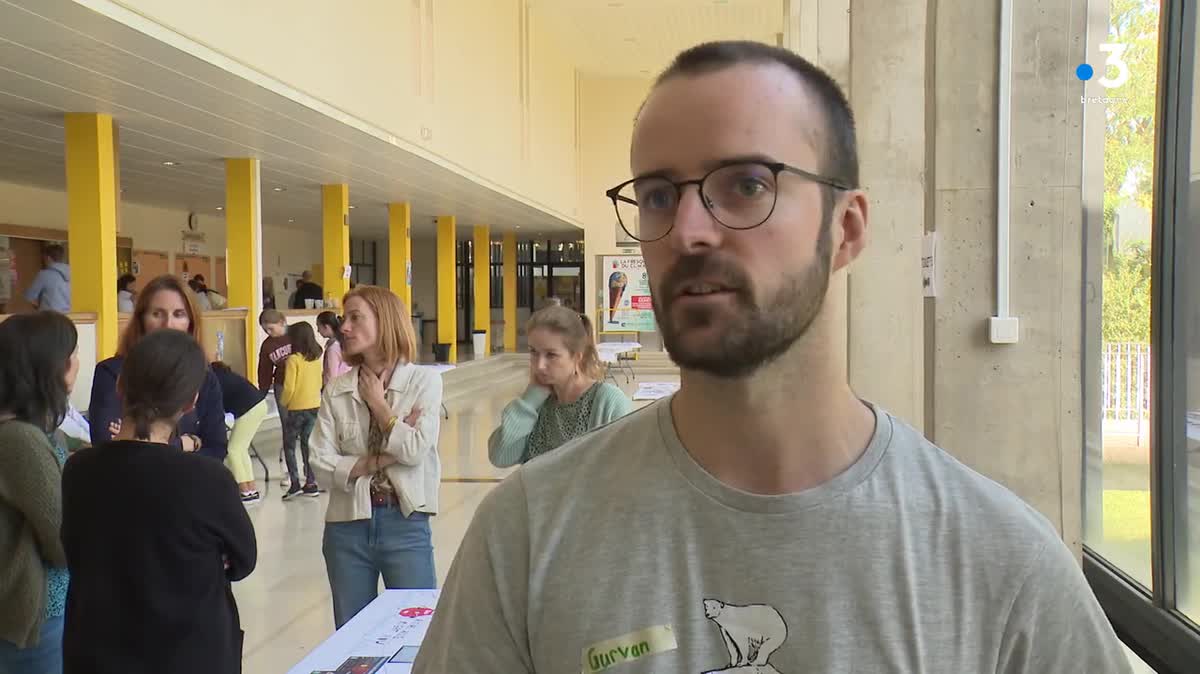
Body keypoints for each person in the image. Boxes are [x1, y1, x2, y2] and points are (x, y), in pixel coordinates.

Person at [413, 41, 1131, 673]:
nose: (689, 229)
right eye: (660, 195)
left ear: (845, 229)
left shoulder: (999, 564)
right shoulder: (528, 537)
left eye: (747, 184)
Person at [62, 329, 256, 674]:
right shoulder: (206, 479)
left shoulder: (78, 471)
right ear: (190, 402)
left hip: (97, 652)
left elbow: (74, 549)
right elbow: (242, 560)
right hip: (190, 654)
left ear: (120, 385)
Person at [309, 285, 443, 629]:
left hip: (405, 522)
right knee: (352, 638)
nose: (345, 328)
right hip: (346, 526)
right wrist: (376, 461)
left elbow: (414, 452)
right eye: (344, 318)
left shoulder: (423, 382)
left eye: (356, 318)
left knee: (415, 633)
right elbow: (319, 463)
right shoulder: (337, 390)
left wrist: (381, 408)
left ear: (385, 322)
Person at [0, 312, 78, 673]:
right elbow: (63, 542)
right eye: (72, 354)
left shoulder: (33, 428)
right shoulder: (21, 440)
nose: (77, 363)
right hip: (35, 621)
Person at [88, 274, 228, 460]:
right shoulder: (111, 372)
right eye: (157, 314)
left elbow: (216, 449)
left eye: (178, 314)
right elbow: (106, 443)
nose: (168, 324)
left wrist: (141, 441)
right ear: (141, 320)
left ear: (191, 322)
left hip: (187, 483)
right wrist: (188, 443)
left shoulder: (205, 377)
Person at [488, 307, 631, 467]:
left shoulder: (607, 401)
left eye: (551, 355)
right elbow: (500, 458)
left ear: (577, 356)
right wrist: (529, 401)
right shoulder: (536, 403)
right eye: (534, 352)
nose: (540, 365)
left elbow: (624, 472)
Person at [211, 362, 269, 504]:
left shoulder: (214, 381)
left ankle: (244, 490)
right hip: (259, 405)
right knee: (241, 450)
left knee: (233, 450)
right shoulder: (225, 375)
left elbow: (216, 407)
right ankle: (251, 489)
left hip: (249, 410)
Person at [278, 321, 324, 500]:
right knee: (308, 445)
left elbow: (289, 387)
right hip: (314, 406)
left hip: (296, 408)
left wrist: (284, 402)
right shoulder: (316, 357)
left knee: (289, 445)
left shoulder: (293, 359)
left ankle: (295, 483)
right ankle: (311, 483)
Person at [257, 309, 293, 485]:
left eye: (271, 329)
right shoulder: (267, 345)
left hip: (302, 388)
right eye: (265, 330)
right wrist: (261, 392)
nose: (269, 333)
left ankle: (311, 472)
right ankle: (289, 471)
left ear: (282, 322)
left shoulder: (296, 335)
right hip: (281, 386)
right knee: (287, 427)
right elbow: (264, 370)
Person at [23, 244, 70, 313]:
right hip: (71, 315)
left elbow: (30, 297)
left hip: (50, 316)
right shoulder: (73, 272)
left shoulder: (44, 275)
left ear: (48, 258)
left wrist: (40, 307)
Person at [317, 310, 351, 387]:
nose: (318, 331)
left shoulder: (333, 348)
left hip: (334, 389)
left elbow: (331, 376)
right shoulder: (342, 342)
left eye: (319, 327)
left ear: (326, 327)